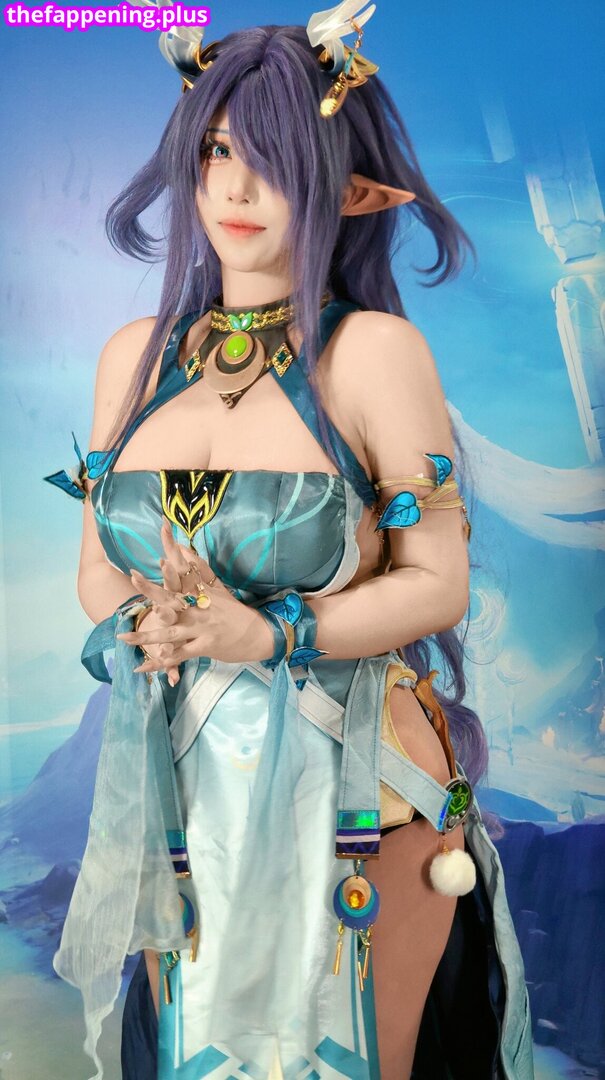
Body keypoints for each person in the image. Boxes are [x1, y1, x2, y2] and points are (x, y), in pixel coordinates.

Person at [46, 4, 534, 1078]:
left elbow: (436, 583)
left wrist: (265, 635)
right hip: (174, 786)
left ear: (346, 186)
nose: (234, 189)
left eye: (270, 159)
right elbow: (97, 565)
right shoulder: (134, 356)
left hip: (358, 787)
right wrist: (146, 624)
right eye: (216, 152)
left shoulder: (374, 352)